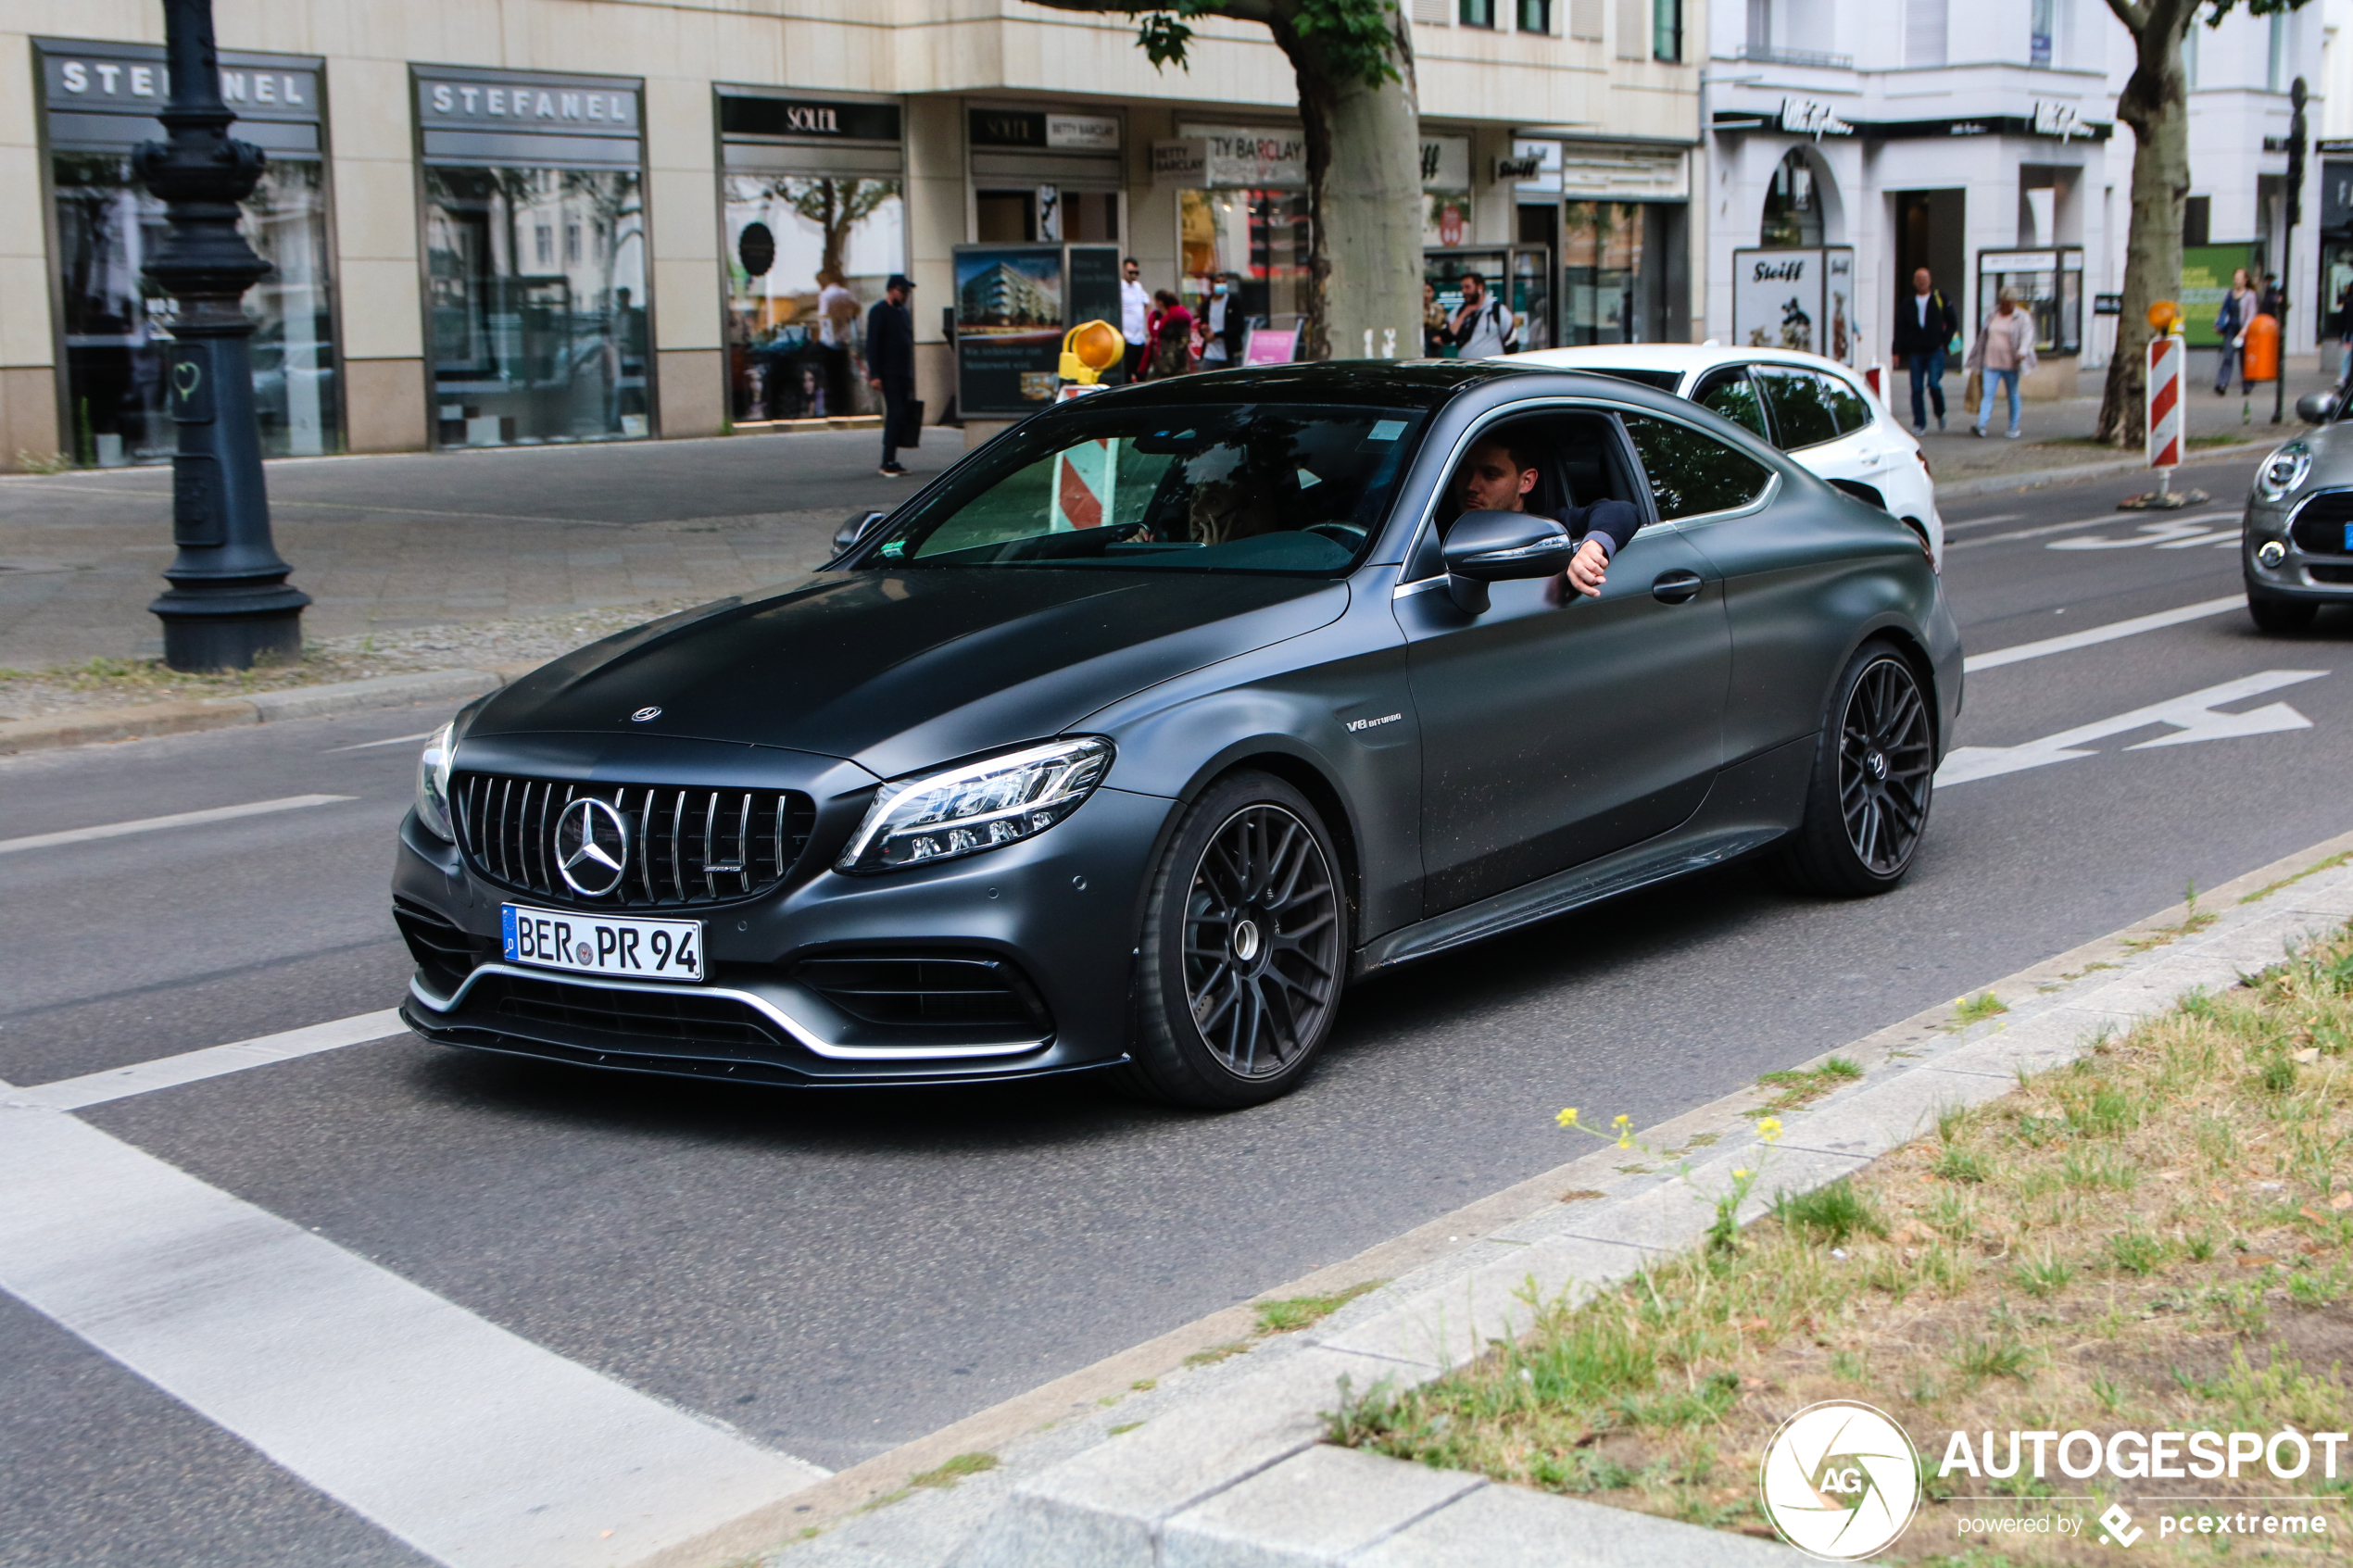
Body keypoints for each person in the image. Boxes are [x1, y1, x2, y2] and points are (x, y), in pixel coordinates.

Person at [1453, 433, 1637, 599]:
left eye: (1490, 475)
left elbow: (1621, 510)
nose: (1471, 486)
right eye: (1465, 470)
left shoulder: (1549, 525)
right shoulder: (1431, 525)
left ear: (1526, 481)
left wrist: (1592, 548)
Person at [1888, 267, 1958, 433]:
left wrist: (1944, 341)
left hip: (1935, 350)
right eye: (1918, 279)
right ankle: (1919, 423)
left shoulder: (1940, 298)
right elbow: (1900, 328)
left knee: (1933, 384)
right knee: (1917, 388)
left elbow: (1953, 322)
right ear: (1914, 282)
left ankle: (1940, 413)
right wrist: (1896, 351)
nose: (1922, 282)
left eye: (1924, 279)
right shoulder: (1907, 303)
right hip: (1916, 352)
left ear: (1930, 281)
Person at [1965, 290, 2038, 439]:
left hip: (2010, 363)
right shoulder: (1993, 315)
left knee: (2012, 394)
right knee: (1987, 394)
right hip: (1990, 362)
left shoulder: (2022, 317)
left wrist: (2022, 351)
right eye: (2003, 303)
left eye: (2009, 303)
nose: (2006, 306)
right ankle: (1982, 424)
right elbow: (1983, 336)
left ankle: (2013, 426)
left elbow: (2027, 335)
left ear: (2015, 303)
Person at [864, 273, 916, 477]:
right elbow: (872, 344)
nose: (905, 296)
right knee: (895, 413)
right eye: (902, 291)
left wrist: (911, 375)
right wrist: (875, 374)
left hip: (903, 372)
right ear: (891, 290)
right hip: (889, 373)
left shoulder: (903, 313)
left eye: (907, 292)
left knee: (902, 415)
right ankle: (886, 460)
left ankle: (893, 459)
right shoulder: (879, 311)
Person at [1450, 271, 1517, 359]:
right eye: (1462, 288)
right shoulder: (1459, 311)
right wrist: (1464, 314)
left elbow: (1511, 341)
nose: (1464, 291)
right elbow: (1448, 336)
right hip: (1466, 368)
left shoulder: (1497, 309)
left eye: (1467, 287)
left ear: (1480, 287)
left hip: (1492, 368)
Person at [2215, 268, 2255, 395]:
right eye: (2236, 278)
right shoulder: (2229, 294)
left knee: (2245, 359)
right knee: (2227, 356)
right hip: (2231, 328)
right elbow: (2223, 310)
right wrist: (2218, 324)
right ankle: (2222, 384)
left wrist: (2244, 330)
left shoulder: (2250, 295)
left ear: (2245, 280)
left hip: (2243, 329)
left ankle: (2247, 385)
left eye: (2240, 278)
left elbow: (2251, 314)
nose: (2237, 281)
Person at [1199, 273, 1246, 367]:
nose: (1221, 285)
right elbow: (1202, 326)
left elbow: (1239, 327)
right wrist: (1203, 331)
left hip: (1229, 353)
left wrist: (1216, 335)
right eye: (1217, 282)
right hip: (1210, 353)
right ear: (1211, 284)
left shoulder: (1233, 302)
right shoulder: (1206, 305)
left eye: (1223, 282)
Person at [1147, 288, 1194, 379]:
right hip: (1160, 364)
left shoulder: (1178, 317)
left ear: (1160, 302)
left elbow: (1185, 338)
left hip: (1175, 365)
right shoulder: (1157, 317)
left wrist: (1174, 354)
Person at [1118, 257, 1151, 383]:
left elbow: (1148, 302)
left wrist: (1142, 314)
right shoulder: (1120, 287)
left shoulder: (1138, 286)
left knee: (1141, 372)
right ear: (1124, 270)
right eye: (1130, 272)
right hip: (1127, 337)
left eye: (1136, 273)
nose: (1133, 275)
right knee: (1127, 371)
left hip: (1139, 337)